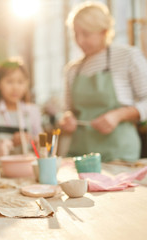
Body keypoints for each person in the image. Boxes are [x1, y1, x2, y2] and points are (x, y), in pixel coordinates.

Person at [59, 1, 147, 162]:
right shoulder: (72, 70)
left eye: (85, 34)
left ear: (104, 32)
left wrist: (119, 115)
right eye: (75, 34)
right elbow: (68, 110)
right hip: (80, 155)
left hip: (119, 155)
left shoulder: (128, 56)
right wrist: (67, 119)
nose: (79, 40)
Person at [0, 58, 43, 155]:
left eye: (20, 82)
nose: (15, 87)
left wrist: (37, 143)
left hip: (27, 168)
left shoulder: (33, 111)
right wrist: (12, 142)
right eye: (9, 82)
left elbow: (42, 149)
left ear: (26, 84)